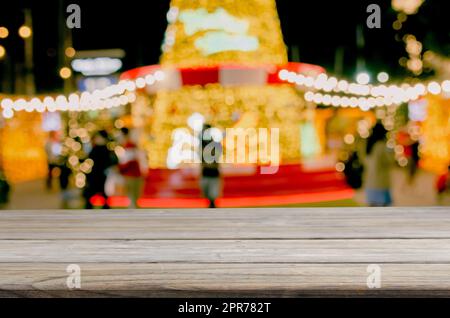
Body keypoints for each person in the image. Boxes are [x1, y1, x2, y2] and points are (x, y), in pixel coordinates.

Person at [83, 130, 118, 209]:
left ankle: (104, 208)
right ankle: (91, 208)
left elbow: (112, 162)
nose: (97, 139)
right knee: (92, 194)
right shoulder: (96, 148)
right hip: (96, 174)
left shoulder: (106, 150)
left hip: (102, 175)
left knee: (103, 193)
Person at [363, 122, 394, 207]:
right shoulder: (381, 146)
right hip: (380, 183)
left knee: (372, 208)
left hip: (370, 182)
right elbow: (390, 161)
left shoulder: (368, 145)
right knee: (384, 209)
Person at [118, 128, 147, 208]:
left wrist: (119, 169)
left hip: (131, 175)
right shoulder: (130, 145)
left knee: (132, 198)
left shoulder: (129, 145)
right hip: (134, 174)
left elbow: (129, 162)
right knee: (133, 198)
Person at [199, 124, 222, 208]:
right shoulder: (202, 143)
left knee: (213, 192)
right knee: (206, 191)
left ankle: (212, 203)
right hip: (205, 171)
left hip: (213, 172)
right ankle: (211, 202)